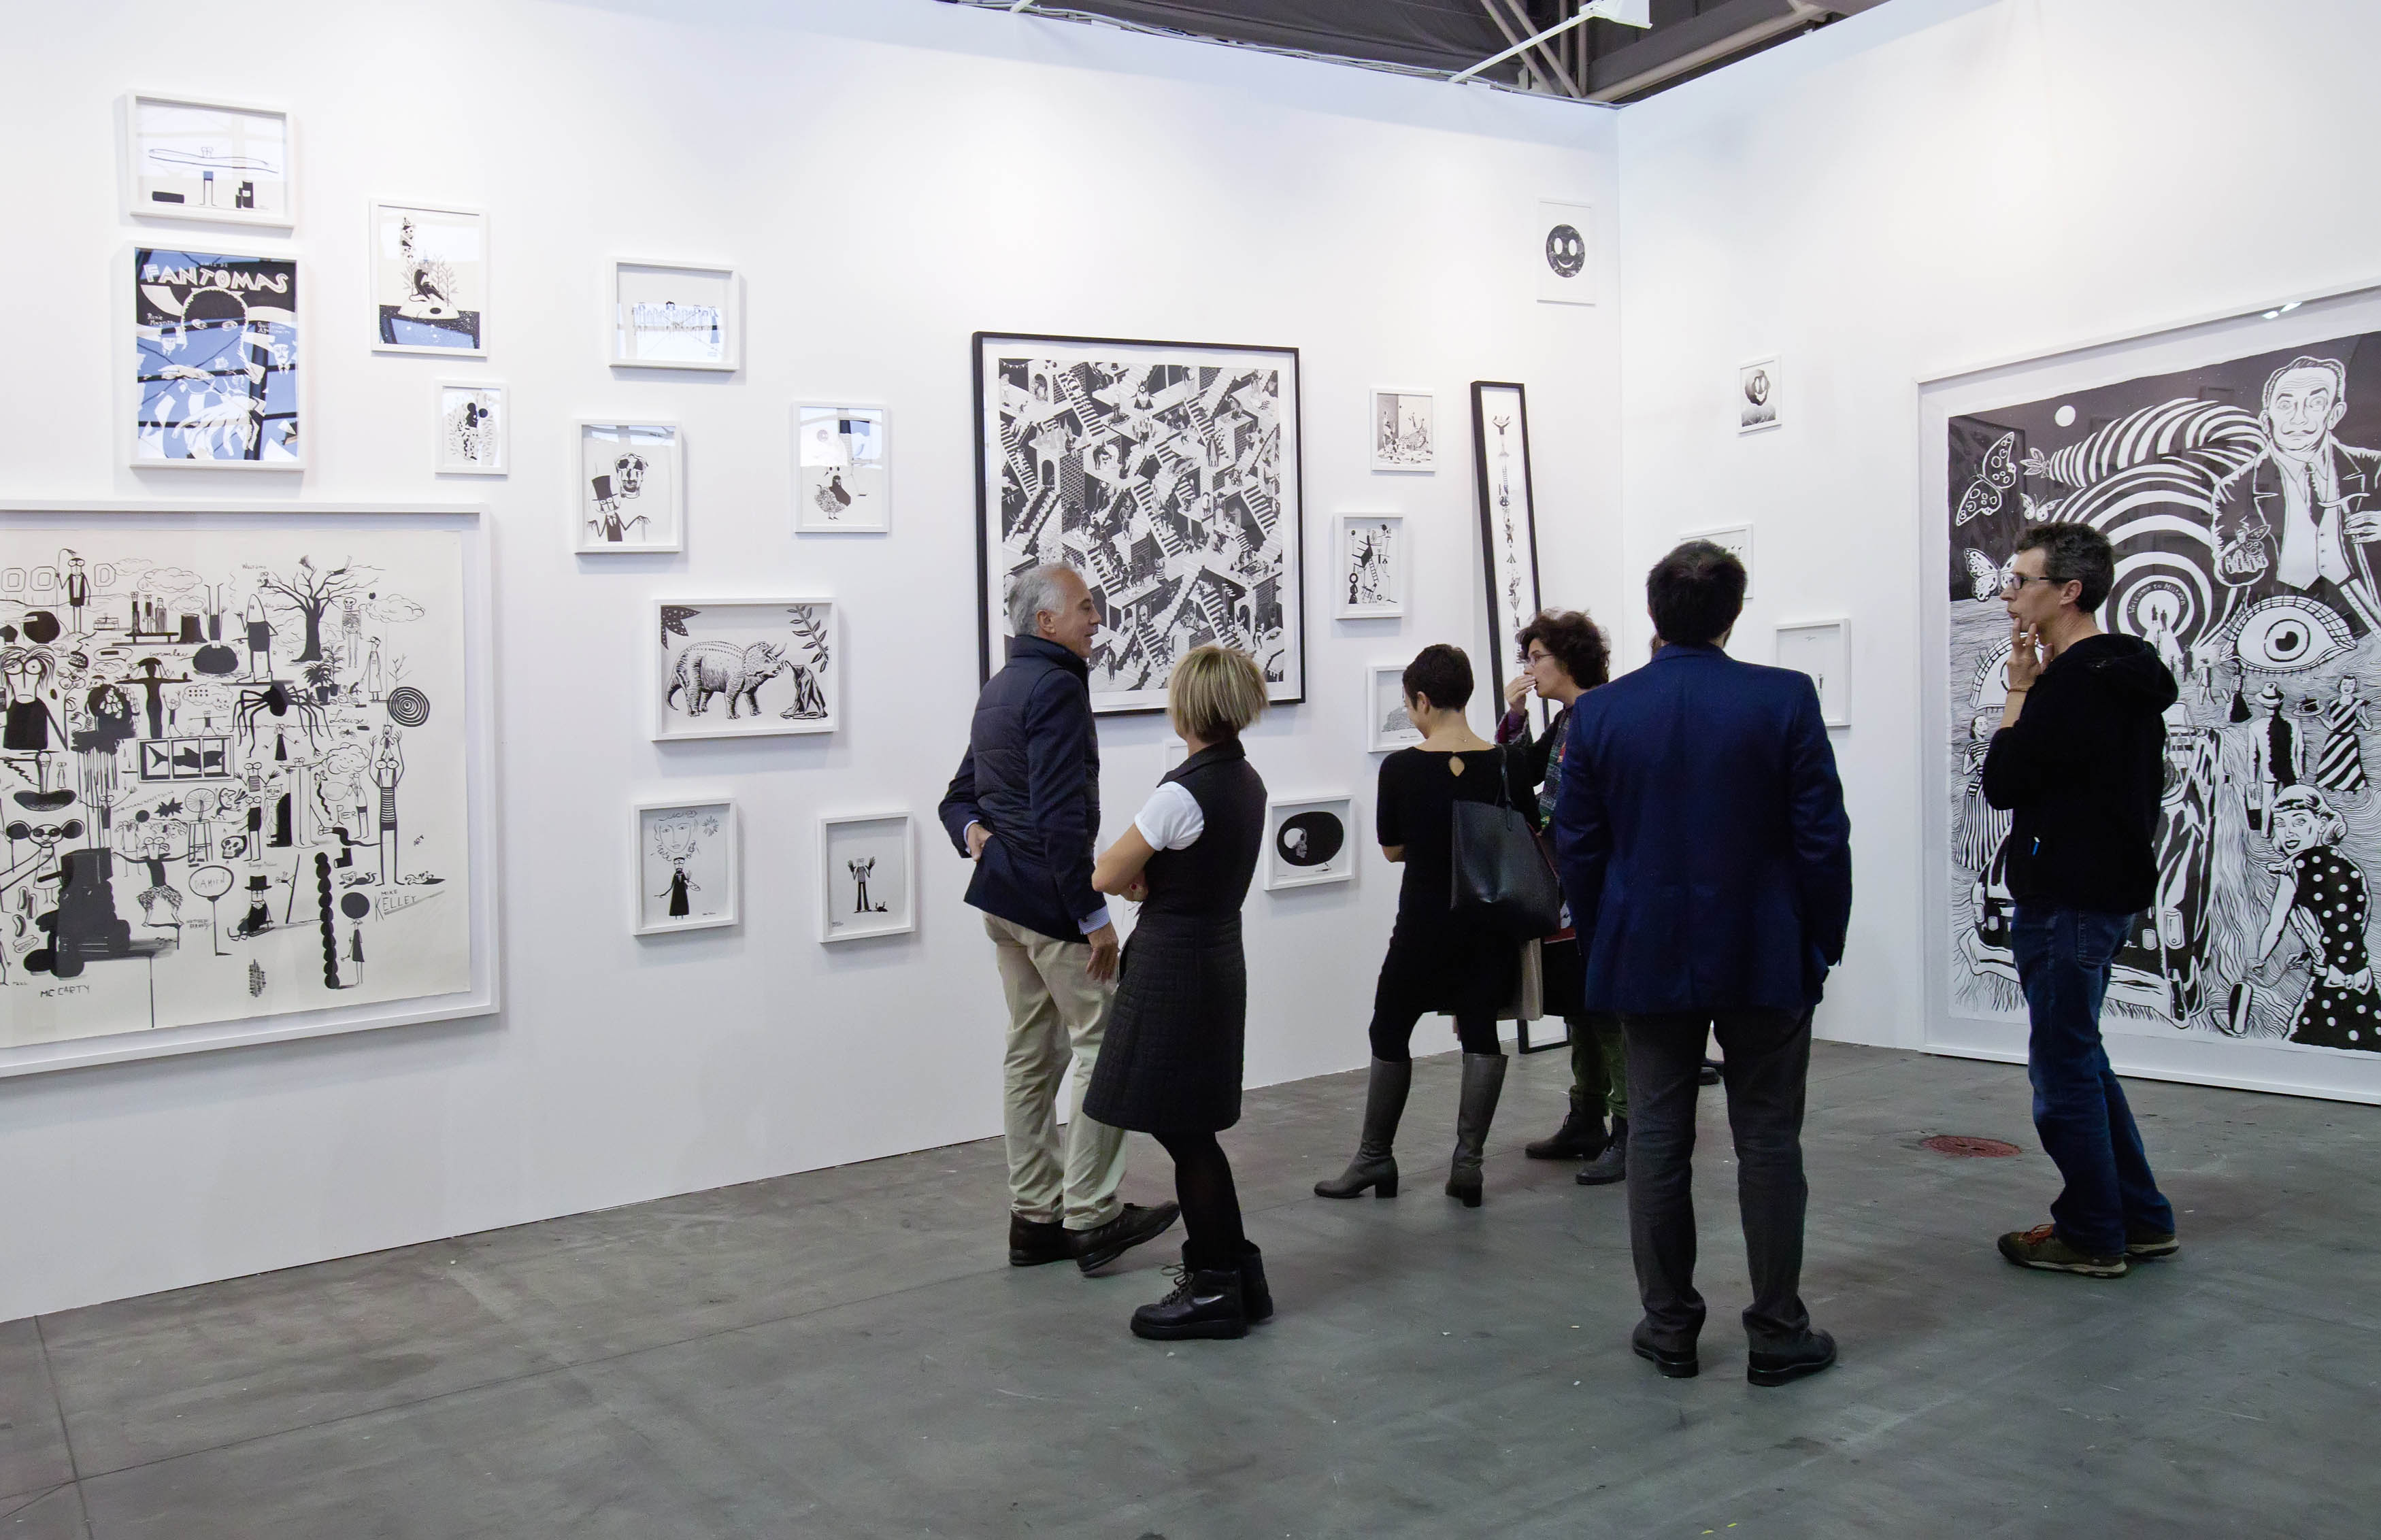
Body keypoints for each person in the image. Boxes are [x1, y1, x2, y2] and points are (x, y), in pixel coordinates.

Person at [1553, 541, 1851, 1387]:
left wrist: (1608, 932)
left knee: (1656, 1135)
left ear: (1653, 613)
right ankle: (1777, 1330)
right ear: (1732, 613)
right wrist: (1820, 939)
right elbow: (1821, 838)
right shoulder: (1781, 698)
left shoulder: (1603, 713)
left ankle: (1669, 1326)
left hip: (1645, 948)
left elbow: (1577, 845)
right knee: (1767, 1137)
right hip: (1762, 947)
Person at [939, 564, 1179, 1275]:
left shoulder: (1000, 688)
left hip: (1002, 901)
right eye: (1085, 608)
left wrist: (976, 836)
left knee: (1030, 1052)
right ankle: (1092, 1214)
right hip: (1048, 902)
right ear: (1045, 621)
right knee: (1104, 1040)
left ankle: (1034, 1218)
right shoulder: (1056, 688)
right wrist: (1092, 914)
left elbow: (956, 797)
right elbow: (1059, 816)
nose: (1096, 619)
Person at [1982, 522, 2180, 1279]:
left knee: (2062, 1070)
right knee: (2082, 1057)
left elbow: (2004, 782)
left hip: (2065, 895)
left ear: (2068, 591)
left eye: (2021, 581)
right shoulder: (2127, 672)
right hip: (2104, 891)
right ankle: (2141, 1219)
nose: (2009, 596)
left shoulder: (2069, 684)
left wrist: (2018, 690)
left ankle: (2093, 1233)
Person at [1083, 646, 1273, 1339]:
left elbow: (1106, 873)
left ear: (1185, 707)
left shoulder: (1182, 792)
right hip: (1215, 956)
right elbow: (1178, 869)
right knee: (1191, 1128)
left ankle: (1217, 1287)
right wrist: (1155, 876)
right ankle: (1237, 1276)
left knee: (1185, 1132)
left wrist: (1143, 875)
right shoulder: (1245, 779)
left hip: (1174, 967)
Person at [1316, 644, 1517, 1209]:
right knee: (1479, 1030)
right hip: (1487, 923)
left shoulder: (1401, 768)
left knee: (1389, 1028)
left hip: (1425, 923)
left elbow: (1392, 848)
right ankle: (1468, 1166)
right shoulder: (1504, 762)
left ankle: (1375, 1156)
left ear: (1422, 700)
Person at [1496, 609, 1632, 1186]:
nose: (1529, 669)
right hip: (1566, 877)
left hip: (1599, 879)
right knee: (1580, 1000)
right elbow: (1518, 775)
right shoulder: (1569, 719)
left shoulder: (1608, 715)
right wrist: (1516, 717)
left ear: (1569, 658)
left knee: (1606, 1009)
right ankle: (1586, 1117)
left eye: (1537, 658)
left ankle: (1628, 1128)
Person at [2255, 785, 2381, 1051]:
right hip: (2359, 975)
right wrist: (2312, 953)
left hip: (2331, 978)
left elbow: (2276, 926)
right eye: (2281, 824)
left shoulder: (2294, 868)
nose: (2289, 832)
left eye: (2299, 822)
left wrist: (2258, 960)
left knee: (2305, 1047)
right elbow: (2351, 923)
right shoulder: (2350, 867)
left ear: (2323, 824)